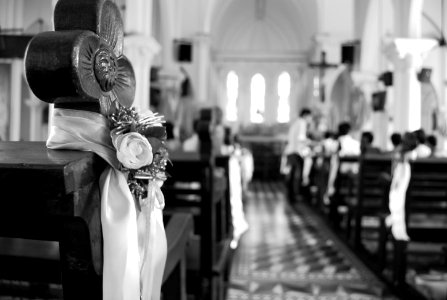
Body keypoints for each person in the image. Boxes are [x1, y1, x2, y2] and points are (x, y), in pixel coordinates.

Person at [283, 108, 314, 203]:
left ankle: (291, 196)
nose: (310, 119)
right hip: (295, 152)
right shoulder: (302, 123)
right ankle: (294, 196)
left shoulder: (296, 123)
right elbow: (301, 138)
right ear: (305, 115)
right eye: (310, 117)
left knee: (292, 174)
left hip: (291, 151)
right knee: (297, 175)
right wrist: (311, 142)